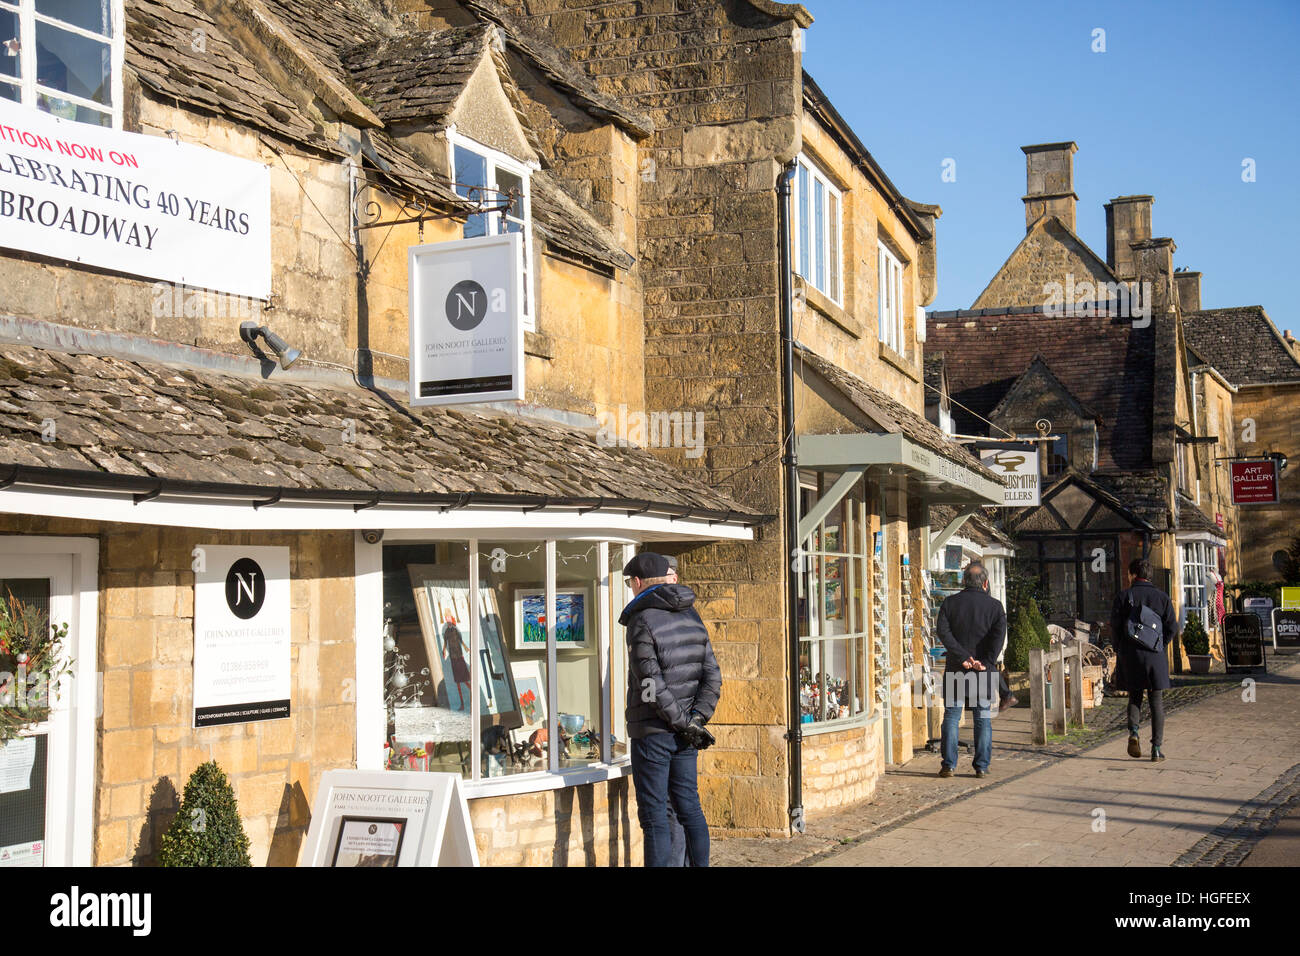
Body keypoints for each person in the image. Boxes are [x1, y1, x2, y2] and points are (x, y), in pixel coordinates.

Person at [619, 551, 720, 866]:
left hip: (654, 733)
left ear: (637, 583)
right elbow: (712, 677)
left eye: (629, 584)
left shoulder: (641, 619)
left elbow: (649, 685)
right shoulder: (691, 614)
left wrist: (685, 723)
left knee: (655, 817)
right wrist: (694, 721)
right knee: (689, 808)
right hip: (686, 731)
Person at [935, 562, 1006, 778]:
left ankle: (948, 764)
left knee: (952, 716)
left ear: (964, 581)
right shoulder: (995, 607)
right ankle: (981, 766)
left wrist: (963, 657)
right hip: (982, 670)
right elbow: (998, 637)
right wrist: (985, 661)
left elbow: (943, 633)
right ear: (985, 582)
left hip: (957, 667)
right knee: (982, 718)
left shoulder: (950, 603)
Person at [1110, 557, 1176, 762]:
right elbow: (1172, 627)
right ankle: (1156, 749)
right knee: (1156, 701)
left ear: (1132, 574)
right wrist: (1159, 645)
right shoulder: (1162, 598)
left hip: (1131, 654)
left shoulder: (1124, 596)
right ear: (1149, 576)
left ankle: (1134, 732)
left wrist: (1121, 649)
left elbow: (1114, 627)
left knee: (1135, 696)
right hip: (1154, 656)